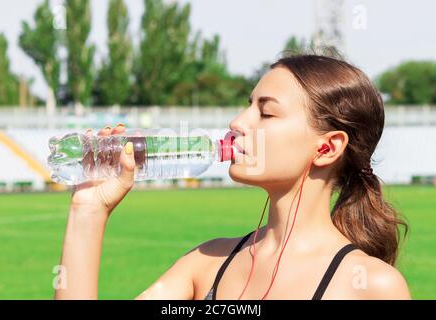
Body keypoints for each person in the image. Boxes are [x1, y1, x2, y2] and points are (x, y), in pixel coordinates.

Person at [54, 54, 410, 300]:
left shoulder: (372, 286)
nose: (238, 123)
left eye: (266, 113)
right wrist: (88, 211)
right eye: (248, 105)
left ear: (327, 148)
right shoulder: (208, 262)